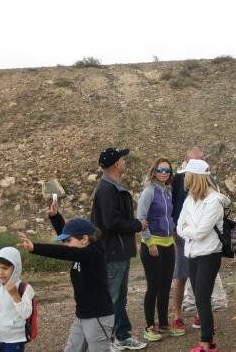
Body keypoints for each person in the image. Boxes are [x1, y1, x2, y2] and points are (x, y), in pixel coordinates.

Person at [19, 211, 114, 352]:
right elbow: (69, 237)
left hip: (98, 317)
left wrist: (35, 248)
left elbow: (64, 252)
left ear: (84, 239)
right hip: (82, 315)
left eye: (68, 241)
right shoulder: (81, 246)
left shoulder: (94, 254)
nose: (66, 244)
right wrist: (55, 217)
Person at [90, 147, 147, 350]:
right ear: (116, 164)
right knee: (112, 298)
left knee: (120, 298)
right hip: (112, 252)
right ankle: (107, 341)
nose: (125, 162)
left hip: (119, 251)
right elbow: (111, 221)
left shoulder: (113, 186)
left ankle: (122, 336)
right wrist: (137, 225)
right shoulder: (107, 189)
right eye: (123, 159)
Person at [177, 158, 230, 352]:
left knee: (201, 298)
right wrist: (189, 229)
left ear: (194, 177)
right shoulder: (190, 199)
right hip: (192, 253)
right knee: (201, 298)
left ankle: (206, 343)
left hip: (209, 254)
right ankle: (207, 342)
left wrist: (187, 229)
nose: (184, 179)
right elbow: (179, 227)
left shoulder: (214, 201)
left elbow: (200, 233)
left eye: (186, 175)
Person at [136, 157, 184, 341]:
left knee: (165, 286)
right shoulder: (149, 191)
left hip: (168, 243)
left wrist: (173, 232)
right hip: (152, 244)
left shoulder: (168, 191)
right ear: (153, 171)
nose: (164, 173)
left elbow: (169, 216)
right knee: (153, 286)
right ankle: (149, 326)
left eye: (167, 170)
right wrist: (149, 242)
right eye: (160, 170)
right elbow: (140, 218)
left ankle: (163, 324)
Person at [171, 147, 203, 332]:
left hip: (202, 235)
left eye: (201, 161)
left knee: (200, 276)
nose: (197, 166)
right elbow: (173, 204)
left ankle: (201, 314)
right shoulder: (177, 179)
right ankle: (177, 314)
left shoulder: (207, 179)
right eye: (193, 162)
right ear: (185, 160)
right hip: (182, 235)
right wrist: (175, 229)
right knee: (181, 274)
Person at [0, 247, 34, 352]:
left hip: (14, 340)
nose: (1, 272)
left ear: (15, 267)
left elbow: (26, 314)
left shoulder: (24, 288)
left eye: (5, 268)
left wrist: (15, 295)